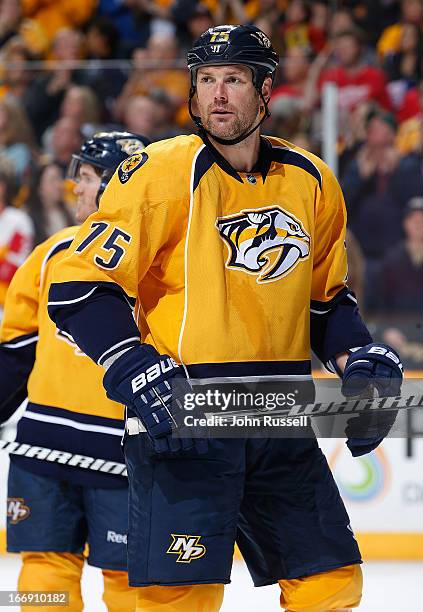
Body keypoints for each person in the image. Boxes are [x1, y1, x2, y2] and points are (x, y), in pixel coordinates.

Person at [48, 25, 403, 612]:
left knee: (332, 585)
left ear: (265, 92)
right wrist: (132, 363)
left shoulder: (310, 179)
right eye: (206, 80)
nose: (216, 94)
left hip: (279, 422)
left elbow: (326, 299)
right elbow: (79, 288)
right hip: (185, 423)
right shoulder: (157, 173)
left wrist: (357, 357)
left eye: (233, 80)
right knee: (179, 598)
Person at [0, 131, 150, 612]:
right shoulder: (168, 260)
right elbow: (17, 349)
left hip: (78, 450)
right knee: (127, 582)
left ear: (118, 183)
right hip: (110, 450)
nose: (78, 189)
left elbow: (12, 352)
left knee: (49, 573)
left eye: (87, 178)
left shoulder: (52, 253)